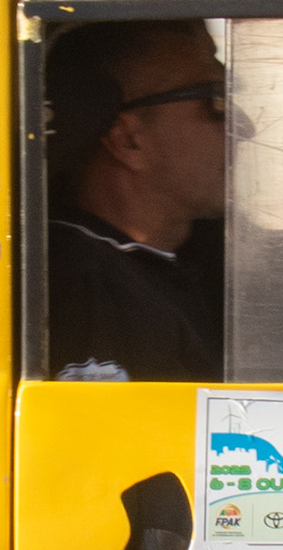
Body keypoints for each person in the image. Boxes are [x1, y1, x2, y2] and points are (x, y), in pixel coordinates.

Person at [45, 20, 228, 381]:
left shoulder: (188, 257)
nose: (245, 126)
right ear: (129, 141)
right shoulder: (87, 288)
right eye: (216, 102)